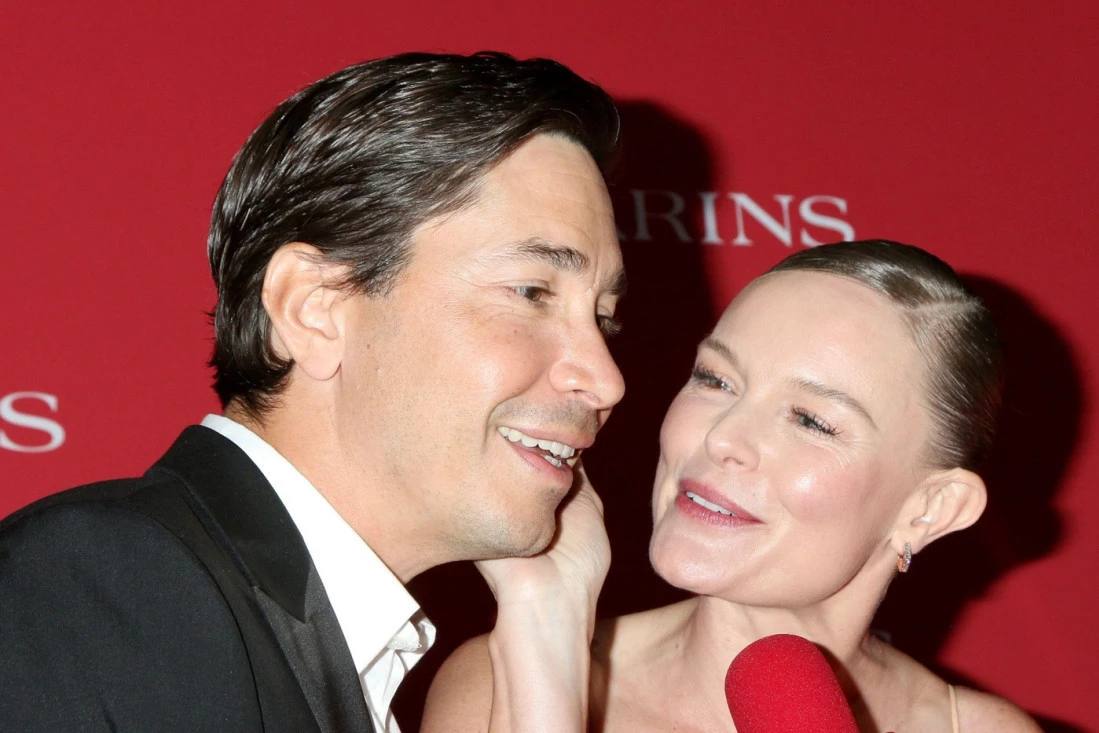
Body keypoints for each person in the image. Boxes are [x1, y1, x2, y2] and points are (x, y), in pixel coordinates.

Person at [0, 52, 626, 733]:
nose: (605, 379)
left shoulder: (320, 643)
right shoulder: (107, 585)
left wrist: (548, 617)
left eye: (603, 317)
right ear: (314, 308)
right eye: (530, 292)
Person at [423, 240, 1042, 732]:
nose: (722, 437)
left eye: (811, 420)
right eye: (716, 380)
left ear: (930, 509)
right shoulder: (506, 682)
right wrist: (545, 628)